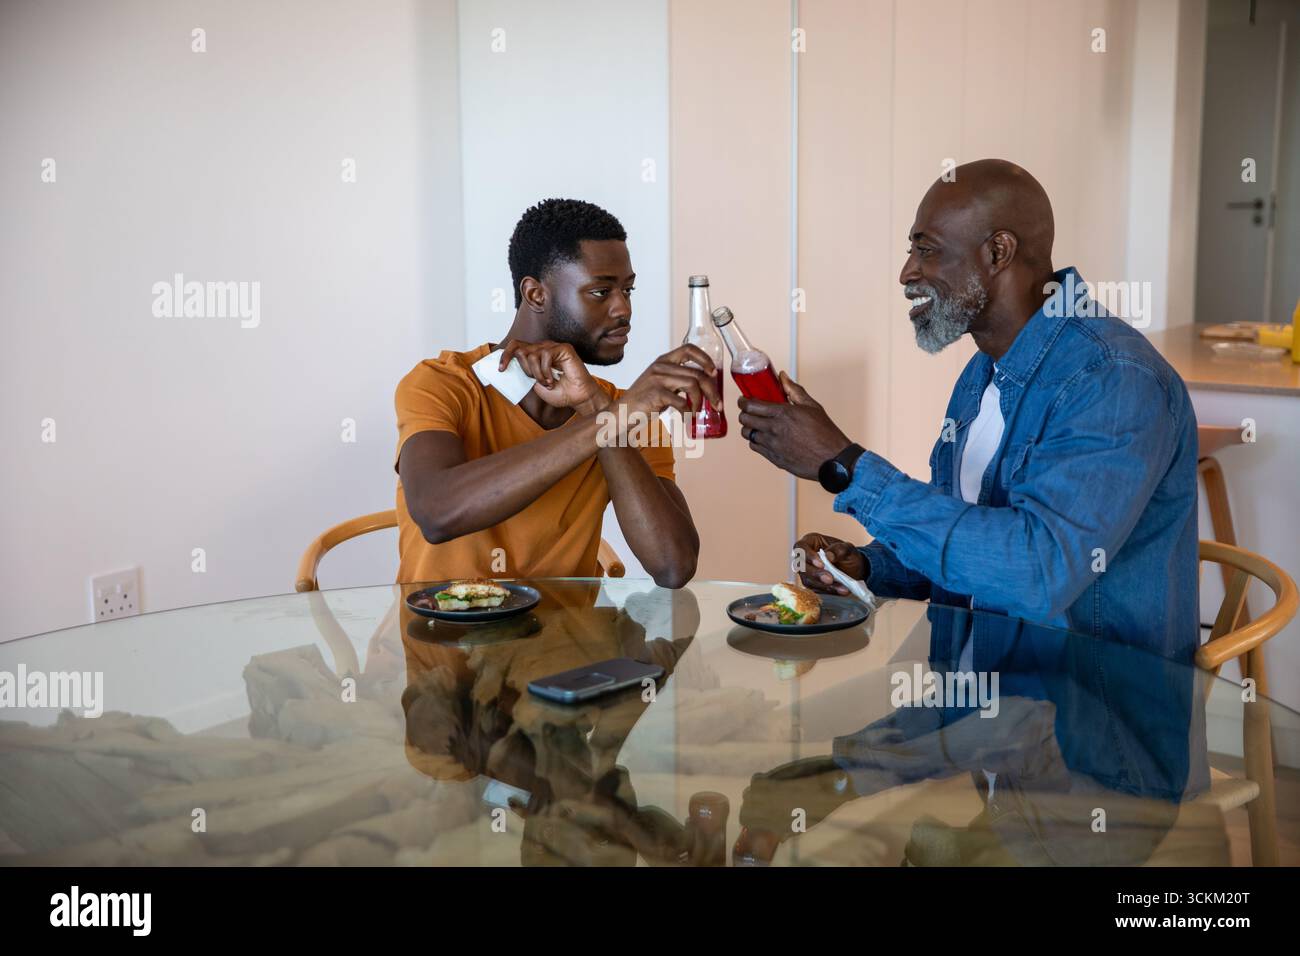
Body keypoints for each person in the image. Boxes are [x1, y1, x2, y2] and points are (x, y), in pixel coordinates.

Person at [737, 160, 1198, 660]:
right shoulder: (985, 371)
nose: (907, 272)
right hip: (970, 702)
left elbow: (1038, 572)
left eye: (927, 250)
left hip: (1079, 717)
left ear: (998, 252)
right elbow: (972, 541)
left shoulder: (1113, 379)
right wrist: (870, 567)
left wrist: (846, 466)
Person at [395, 198, 719, 588]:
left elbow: (673, 564)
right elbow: (437, 513)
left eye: (628, 290)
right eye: (601, 292)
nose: (623, 310)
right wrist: (613, 419)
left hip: (573, 648)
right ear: (535, 294)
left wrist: (596, 407)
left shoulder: (620, 408)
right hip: (445, 642)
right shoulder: (442, 383)